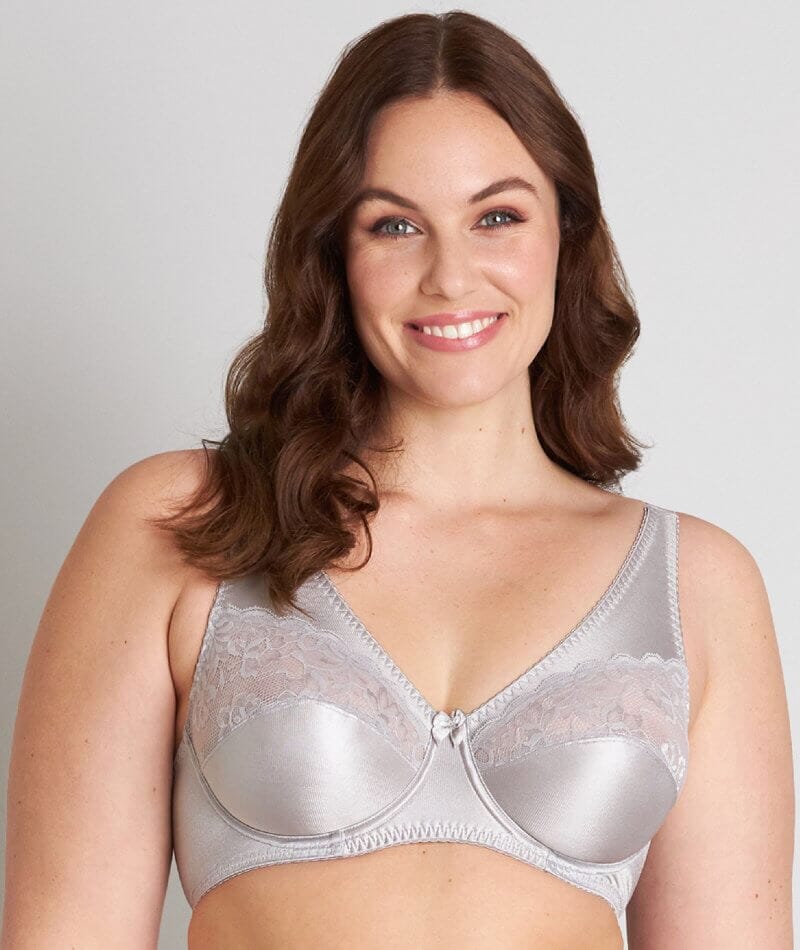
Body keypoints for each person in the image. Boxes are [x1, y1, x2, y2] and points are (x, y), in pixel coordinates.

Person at [2, 10, 793, 950]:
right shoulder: (184, 524)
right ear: (334, 253)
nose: (450, 276)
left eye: (497, 217)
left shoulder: (693, 585)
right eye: (395, 225)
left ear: (567, 234)